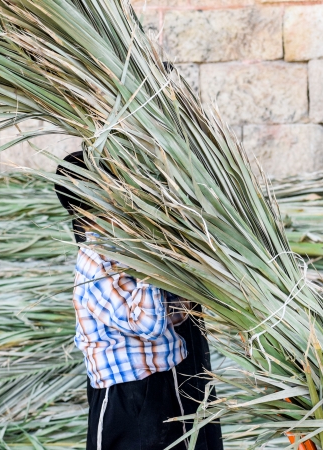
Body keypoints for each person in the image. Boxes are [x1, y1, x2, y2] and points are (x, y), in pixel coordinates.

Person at [55, 151, 223, 450]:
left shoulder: (124, 243)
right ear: (88, 204)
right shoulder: (96, 259)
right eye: (112, 186)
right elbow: (148, 324)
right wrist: (152, 259)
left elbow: (175, 312)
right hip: (129, 397)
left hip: (167, 382)